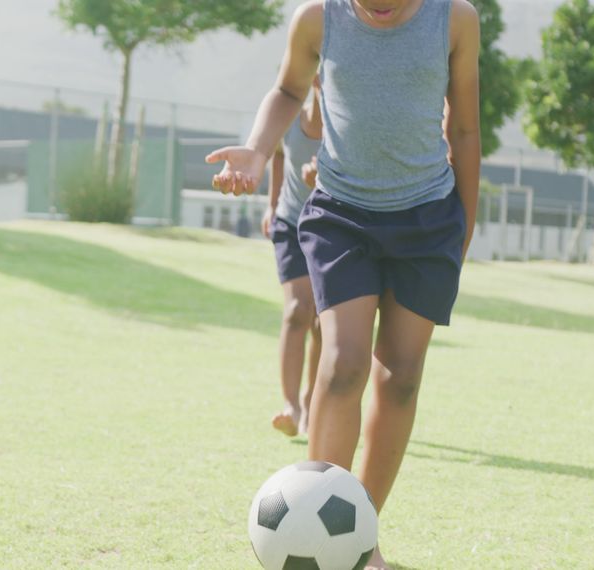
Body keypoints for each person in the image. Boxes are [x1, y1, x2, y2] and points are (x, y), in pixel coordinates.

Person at [206, 1, 480, 567]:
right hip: (341, 214)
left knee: (401, 377)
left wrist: (465, 229)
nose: (380, 5)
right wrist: (257, 151)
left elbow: (466, 126)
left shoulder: (455, 20)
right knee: (343, 364)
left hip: (428, 216)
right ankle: (313, 532)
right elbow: (288, 90)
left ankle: (358, 537)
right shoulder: (317, 18)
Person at [262, 82, 323, 438]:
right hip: (290, 222)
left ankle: (312, 403)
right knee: (298, 310)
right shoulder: (291, 118)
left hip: (330, 226)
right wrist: (271, 205)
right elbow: (280, 155)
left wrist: (323, 180)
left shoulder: (344, 129)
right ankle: (291, 406)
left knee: (322, 322)